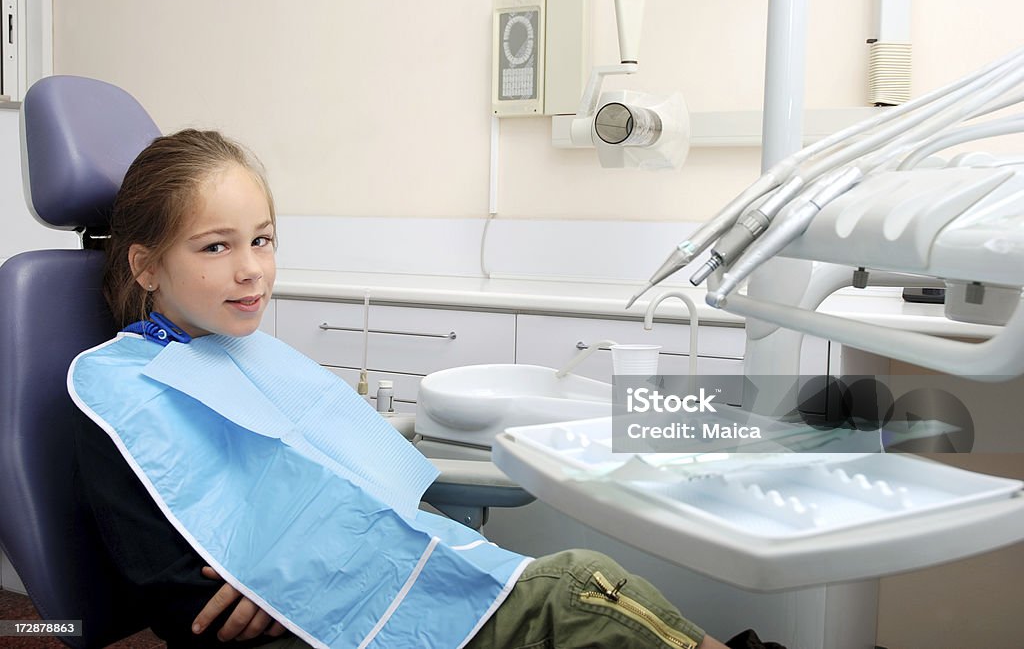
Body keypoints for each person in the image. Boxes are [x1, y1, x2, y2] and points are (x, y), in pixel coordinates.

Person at [70, 128, 767, 649]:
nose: (252, 269)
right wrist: (262, 579)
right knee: (579, 594)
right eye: (216, 246)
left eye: (264, 239)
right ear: (147, 265)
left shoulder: (247, 355)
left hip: (391, 579)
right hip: (326, 619)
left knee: (586, 587)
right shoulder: (119, 389)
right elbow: (176, 590)